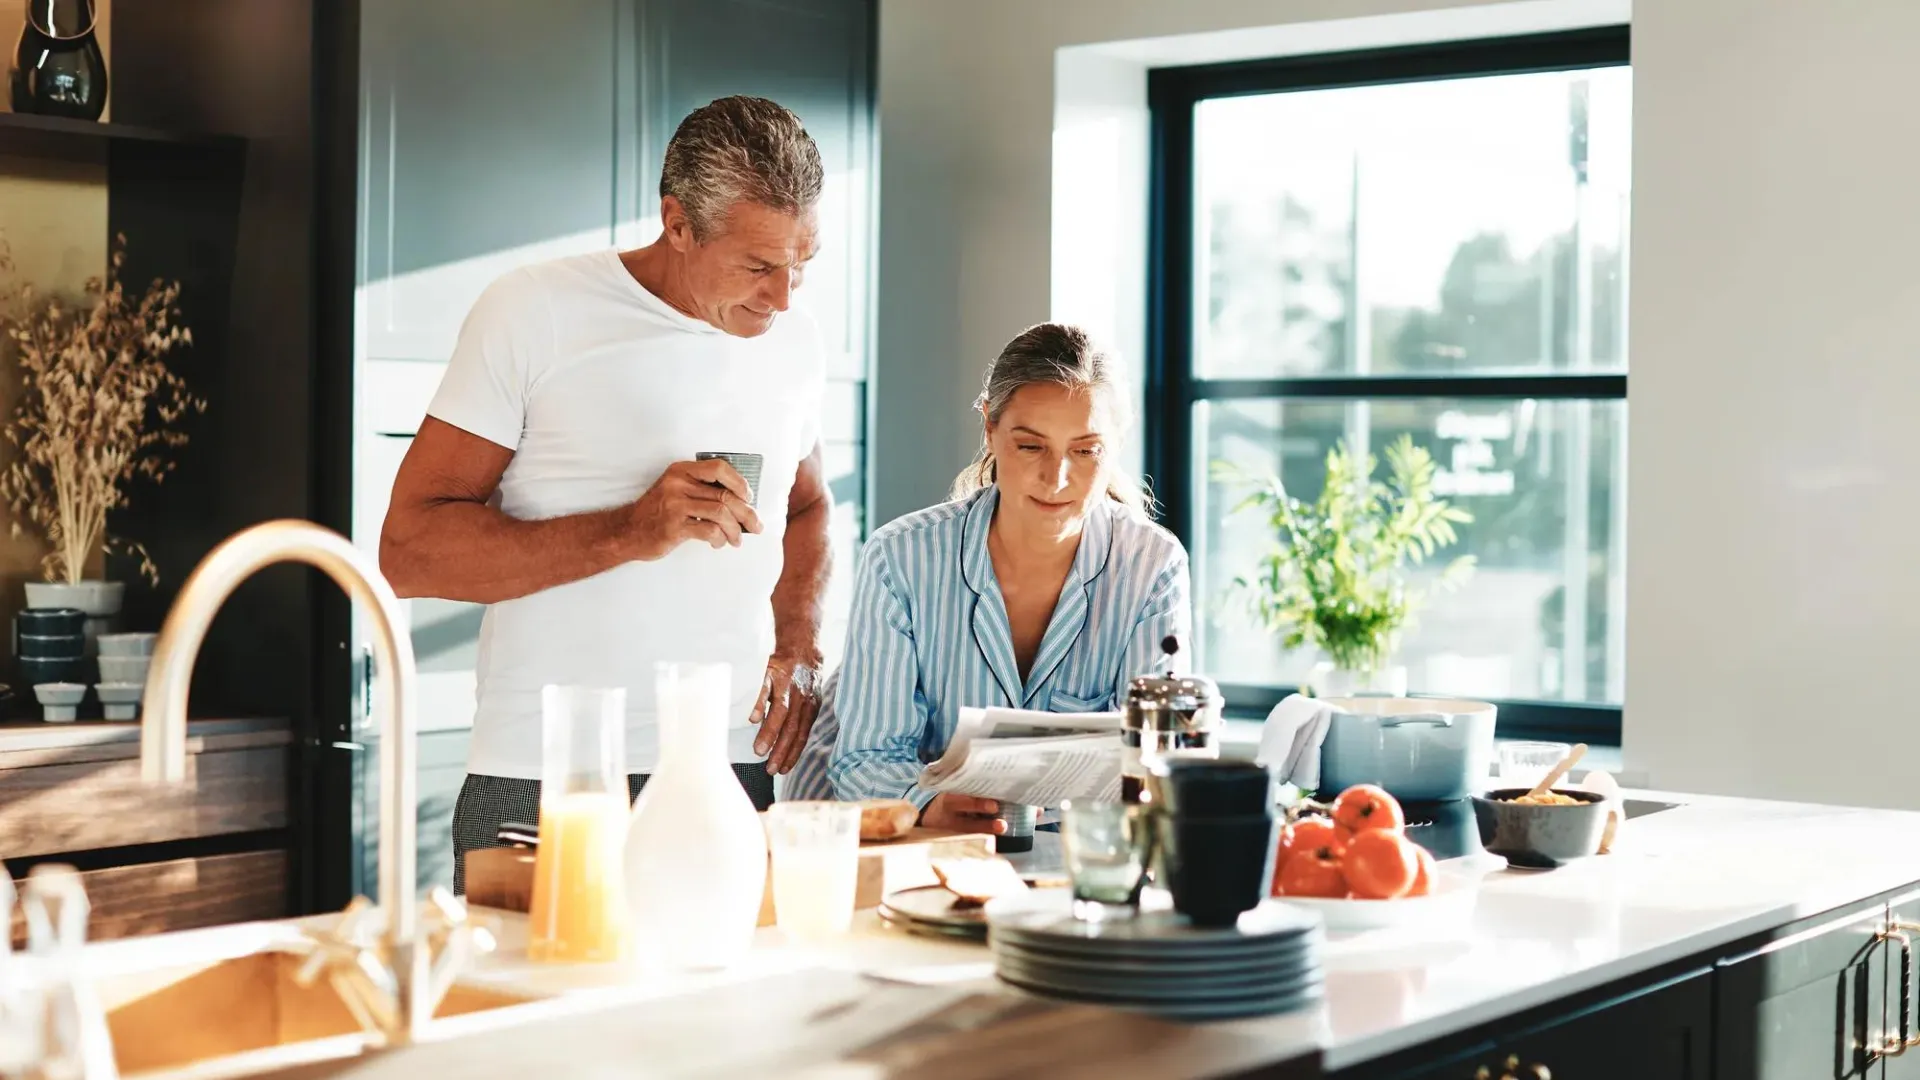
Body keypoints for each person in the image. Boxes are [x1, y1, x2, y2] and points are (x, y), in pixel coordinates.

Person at [379, 96, 833, 893]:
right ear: (678, 222)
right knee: (531, 1013)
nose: (785, 298)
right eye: (759, 266)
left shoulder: (794, 342)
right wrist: (631, 529)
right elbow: (408, 550)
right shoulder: (535, 311)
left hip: (725, 769)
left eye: (803, 264)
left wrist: (799, 642)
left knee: (720, 1017)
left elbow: (806, 507)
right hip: (545, 772)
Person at [784, 323, 1191, 834]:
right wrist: (927, 801)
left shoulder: (1153, 566)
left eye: (1085, 451)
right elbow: (864, 760)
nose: (1057, 478)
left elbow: (1150, 759)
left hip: (1062, 861)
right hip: (900, 842)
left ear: (1117, 442)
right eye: (1030, 447)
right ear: (990, 429)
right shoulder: (901, 558)